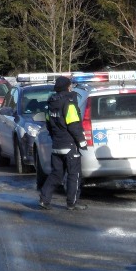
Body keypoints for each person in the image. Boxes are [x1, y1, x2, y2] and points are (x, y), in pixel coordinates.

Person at [39, 75, 88, 211]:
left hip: (56, 145)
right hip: (69, 145)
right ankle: (72, 203)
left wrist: (55, 137)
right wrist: (81, 141)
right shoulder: (69, 103)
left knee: (56, 174)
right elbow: (73, 125)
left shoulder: (51, 104)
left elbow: (48, 123)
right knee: (74, 174)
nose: (71, 87)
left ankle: (44, 199)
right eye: (70, 85)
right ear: (67, 87)